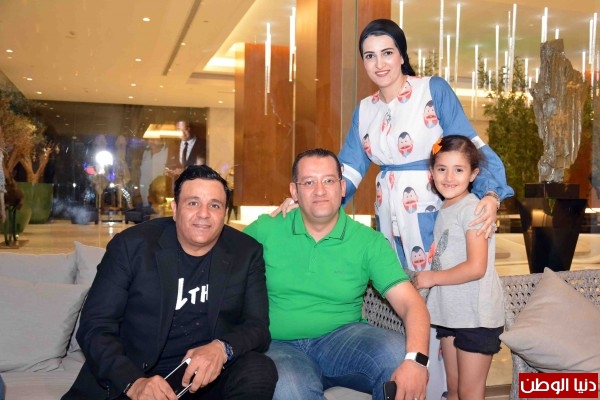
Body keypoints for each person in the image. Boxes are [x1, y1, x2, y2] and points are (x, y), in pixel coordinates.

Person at [273, 19, 514, 400]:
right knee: (407, 298)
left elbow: (470, 146)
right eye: (370, 56)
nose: (379, 63)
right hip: (390, 216)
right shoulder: (365, 109)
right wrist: (308, 199)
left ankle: (438, 390)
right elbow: (349, 170)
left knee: (439, 298)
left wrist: (491, 193)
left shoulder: (432, 89)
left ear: (401, 55)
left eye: (387, 53)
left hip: (435, 210)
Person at [62, 165, 277, 400]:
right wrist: (133, 383)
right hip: (137, 378)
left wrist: (221, 348)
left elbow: (257, 327)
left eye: (214, 205)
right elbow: (95, 326)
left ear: (225, 214)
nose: (204, 214)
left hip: (205, 380)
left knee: (259, 369)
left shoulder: (246, 252)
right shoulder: (132, 246)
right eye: (193, 203)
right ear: (175, 209)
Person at [245, 148, 430, 400]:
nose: (320, 191)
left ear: (342, 187)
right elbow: (220, 258)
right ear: (294, 191)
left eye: (329, 180)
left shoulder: (368, 241)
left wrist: (417, 361)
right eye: (308, 182)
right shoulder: (266, 229)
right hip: (279, 345)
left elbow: (411, 303)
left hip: (342, 341)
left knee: (397, 353)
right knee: (289, 388)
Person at [413, 136, 504, 400]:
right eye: (442, 169)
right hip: (452, 313)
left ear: (473, 174)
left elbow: (476, 267)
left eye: (459, 170)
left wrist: (431, 277)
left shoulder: (473, 209)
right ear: (432, 173)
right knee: (453, 389)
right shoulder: (446, 207)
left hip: (476, 317)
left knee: (469, 392)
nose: (449, 177)